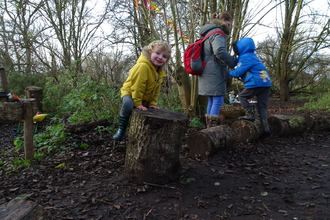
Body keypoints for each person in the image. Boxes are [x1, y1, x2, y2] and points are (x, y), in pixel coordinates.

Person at [113, 40, 171, 140]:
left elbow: (156, 89)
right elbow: (137, 86)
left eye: (164, 56)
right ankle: (121, 129)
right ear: (149, 53)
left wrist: (152, 102)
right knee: (128, 105)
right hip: (130, 92)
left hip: (144, 96)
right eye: (157, 53)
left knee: (150, 112)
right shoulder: (143, 66)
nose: (160, 57)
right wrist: (137, 103)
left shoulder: (160, 72)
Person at [198, 12, 236, 128]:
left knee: (212, 100)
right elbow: (219, 51)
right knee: (218, 99)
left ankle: (208, 129)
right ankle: (212, 130)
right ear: (224, 20)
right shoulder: (218, 33)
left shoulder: (208, 33)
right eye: (229, 24)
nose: (229, 27)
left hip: (206, 71)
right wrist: (232, 62)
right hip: (214, 72)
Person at [229, 37, 272, 138]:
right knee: (262, 106)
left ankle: (250, 115)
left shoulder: (245, 58)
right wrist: (231, 61)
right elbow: (237, 62)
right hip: (266, 83)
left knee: (242, 97)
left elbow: (238, 72)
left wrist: (229, 71)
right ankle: (265, 127)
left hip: (256, 82)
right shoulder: (251, 56)